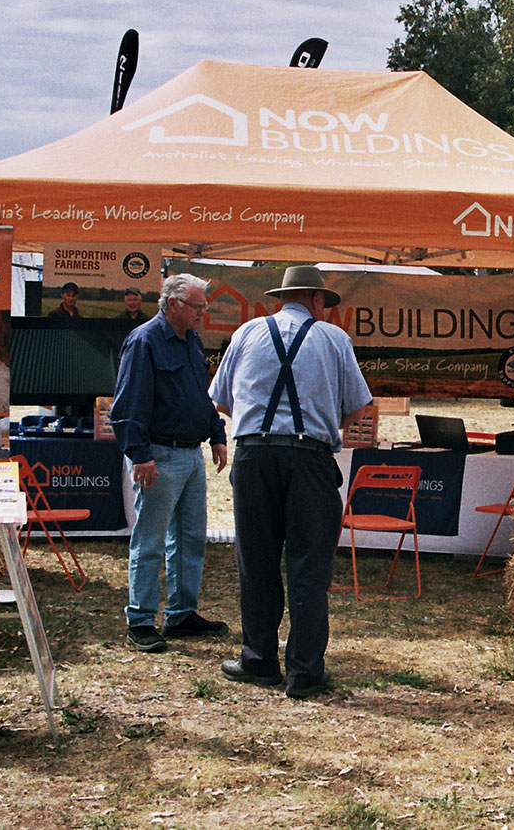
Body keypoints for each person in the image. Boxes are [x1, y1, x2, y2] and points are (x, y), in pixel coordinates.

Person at [209, 265, 373, 699]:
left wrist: (263, 425)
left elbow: (221, 399)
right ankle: (303, 672)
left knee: (256, 560)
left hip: (254, 455)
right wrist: (318, 426)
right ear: (317, 301)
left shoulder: (246, 333)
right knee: (308, 566)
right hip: (309, 460)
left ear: (282, 298)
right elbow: (358, 407)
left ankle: (259, 659)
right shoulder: (335, 339)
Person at [109, 273, 230, 653]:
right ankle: (141, 620)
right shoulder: (144, 341)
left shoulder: (190, 341)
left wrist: (217, 434)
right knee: (151, 541)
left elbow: (201, 393)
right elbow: (127, 405)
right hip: (158, 455)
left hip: (191, 455)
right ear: (173, 304)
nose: (203, 312)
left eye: (205, 305)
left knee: (191, 539)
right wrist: (139, 455)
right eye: (198, 306)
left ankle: (180, 613)